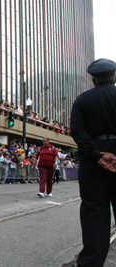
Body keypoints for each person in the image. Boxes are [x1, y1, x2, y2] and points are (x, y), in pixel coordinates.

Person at [70, 58, 116, 267]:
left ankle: (90, 263)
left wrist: (98, 155)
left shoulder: (82, 99)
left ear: (93, 79)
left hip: (93, 160)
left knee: (94, 210)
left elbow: (77, 132)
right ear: (114, 76)